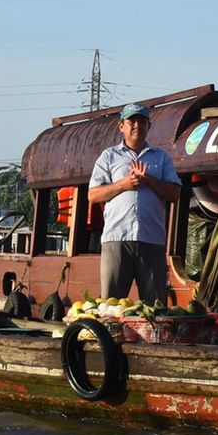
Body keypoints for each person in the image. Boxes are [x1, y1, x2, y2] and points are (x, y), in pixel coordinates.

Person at [88, 103, 182, 303]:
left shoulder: (161, 157)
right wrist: (124, 183)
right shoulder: (109, 156)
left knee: (154, 306)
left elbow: (175, 194)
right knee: (111, 305)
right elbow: (93, 195)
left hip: (152, 240)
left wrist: (148, 179)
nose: (137, 125)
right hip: (117, 238)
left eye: (142, 121)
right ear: (121, 126)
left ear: (149, 126)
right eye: (132, 121)